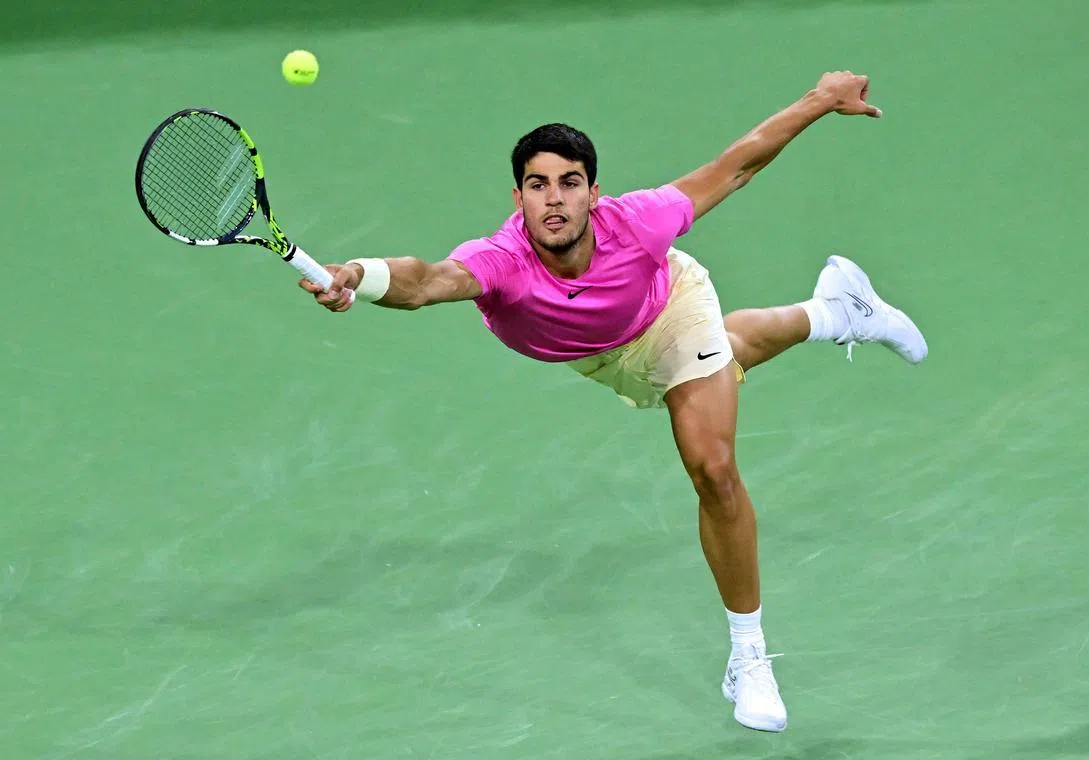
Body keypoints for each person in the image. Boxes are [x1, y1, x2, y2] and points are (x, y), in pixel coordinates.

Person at [299, 70, 927, 732]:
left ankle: (750, 656)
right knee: (729, 352)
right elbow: (425, 281)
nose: (554, 200)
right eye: (538, 185)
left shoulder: (640, 222)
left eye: (569, 183)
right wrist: (360, 278)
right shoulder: (501, 260)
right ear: (517, 197)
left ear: (592, 193)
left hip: (673, 307)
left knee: (711, 464)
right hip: (602, 357)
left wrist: (822, 100)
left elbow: (736, 167)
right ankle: (834, 309)